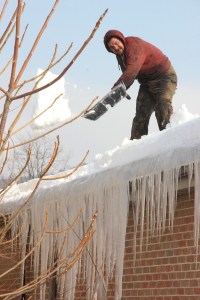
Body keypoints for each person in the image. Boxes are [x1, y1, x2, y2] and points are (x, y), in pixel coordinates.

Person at [104, 30, 177, 140]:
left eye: (116, 43)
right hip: (146, 82)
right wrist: (121, 90)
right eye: (111, 47)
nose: (115, 47)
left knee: (162, 104)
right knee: (141, 115)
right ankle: (136, 146)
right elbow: (130, 75)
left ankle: (170, 137)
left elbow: (131, 71)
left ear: (121, 39)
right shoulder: (120, 56)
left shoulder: (134, 46)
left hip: (164, 76)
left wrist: (116, 89)